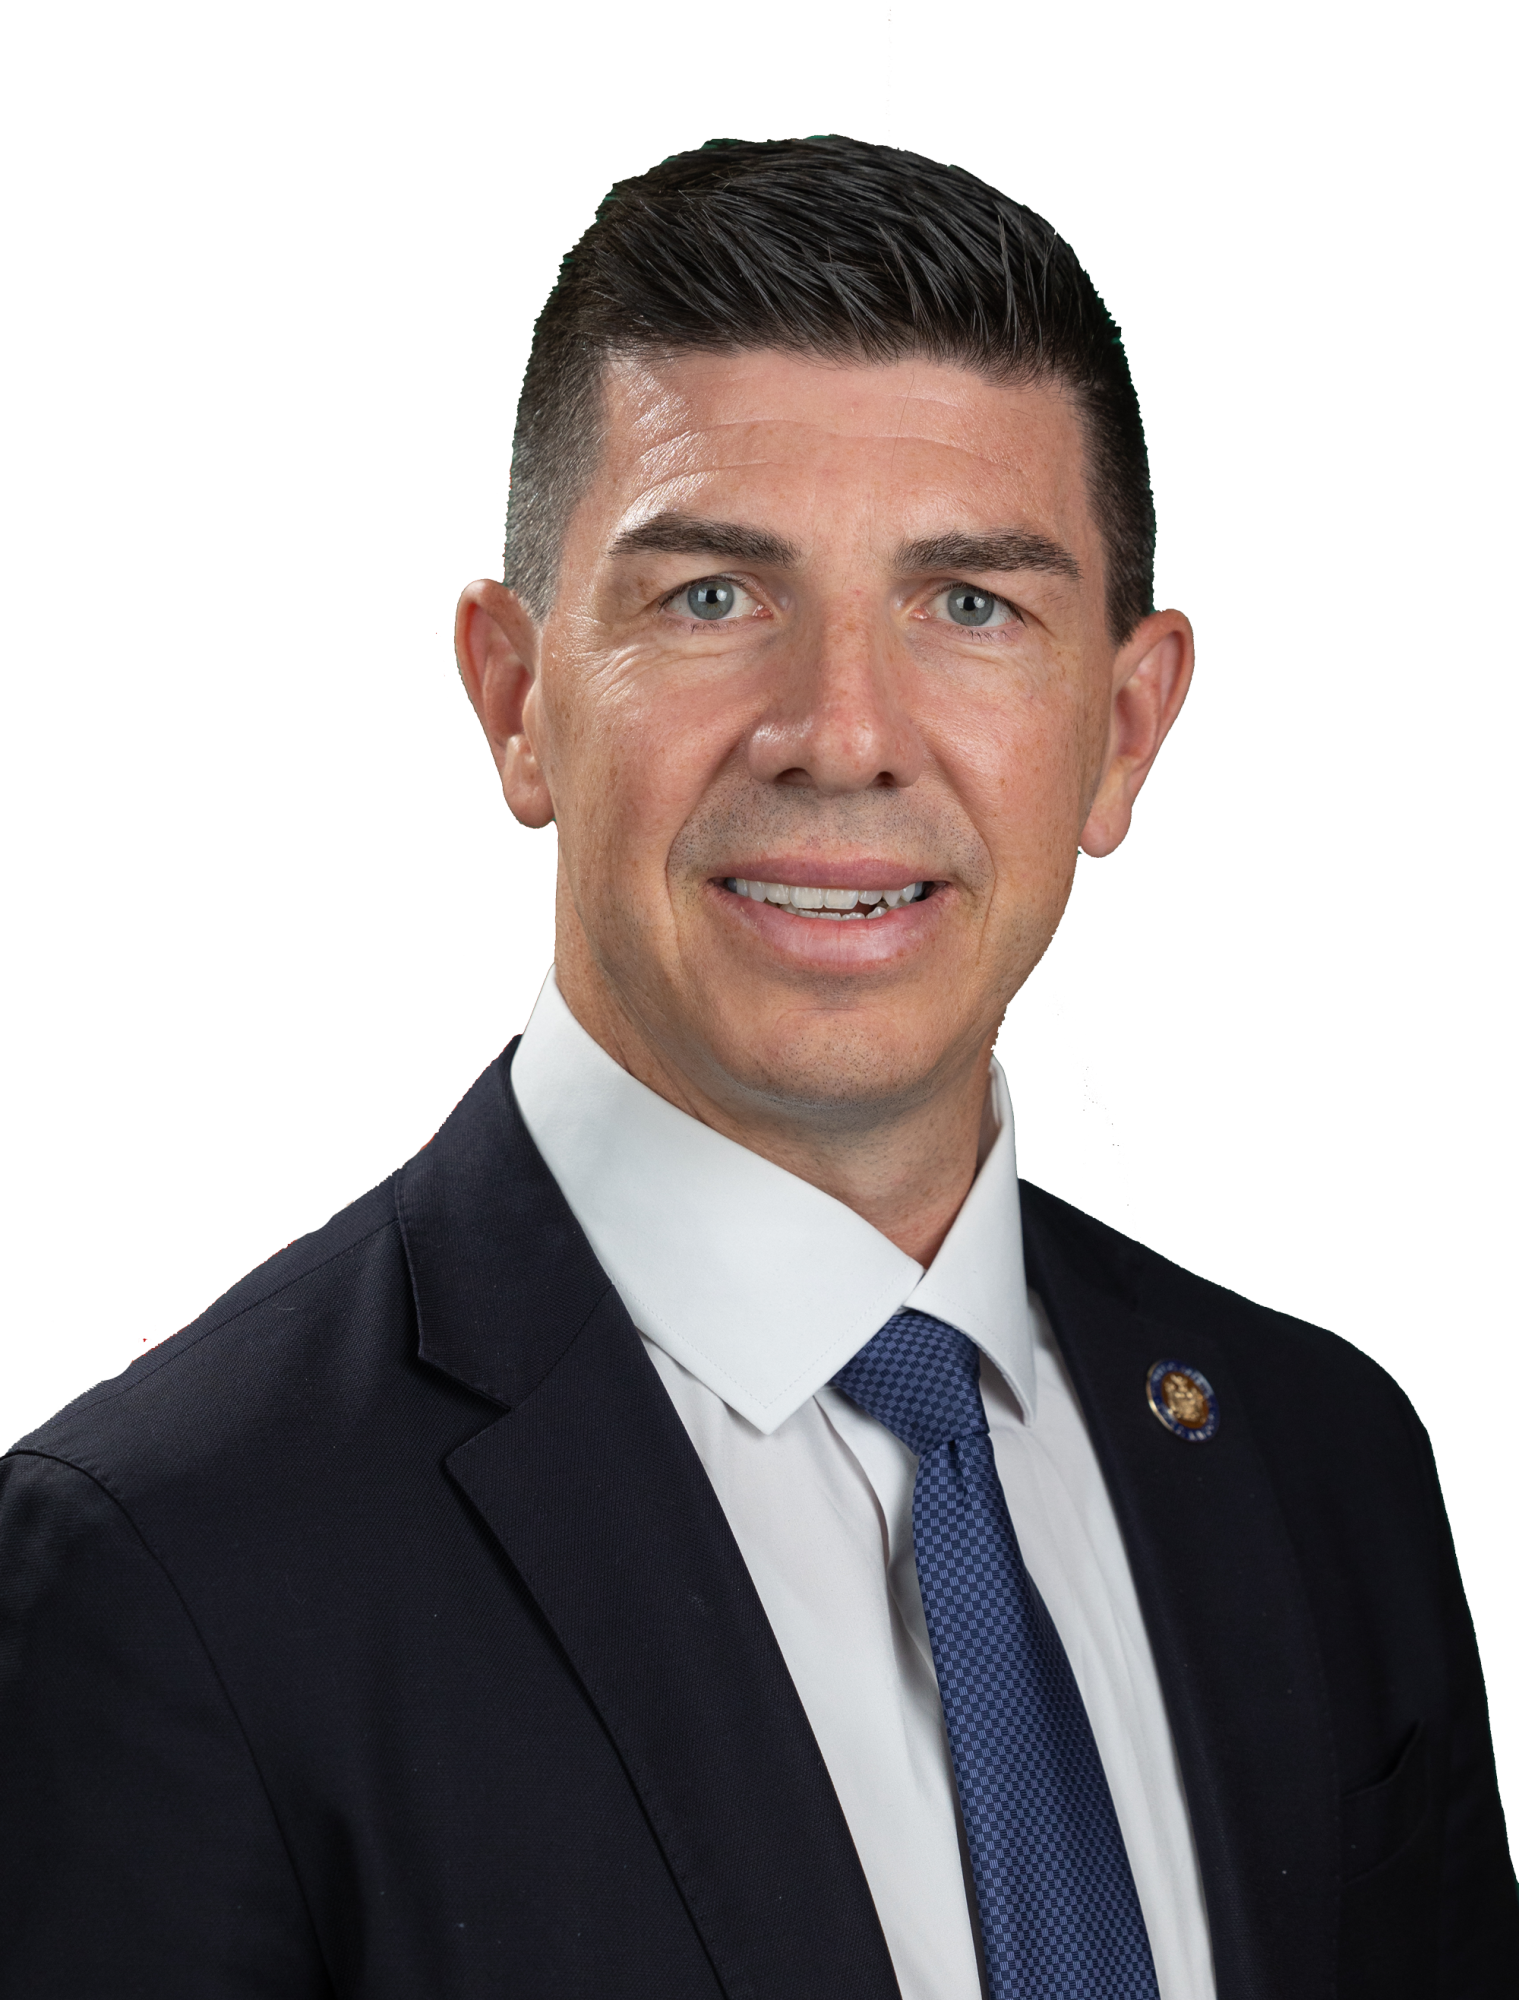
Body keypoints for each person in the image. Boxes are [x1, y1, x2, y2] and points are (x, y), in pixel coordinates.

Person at [2, 135, 1513, 2000]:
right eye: (713, 596)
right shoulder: (170, 1555)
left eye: (970, 605)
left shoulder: (1322, 1461)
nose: (840, 733)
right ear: (515, 698)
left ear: (1123, 731)